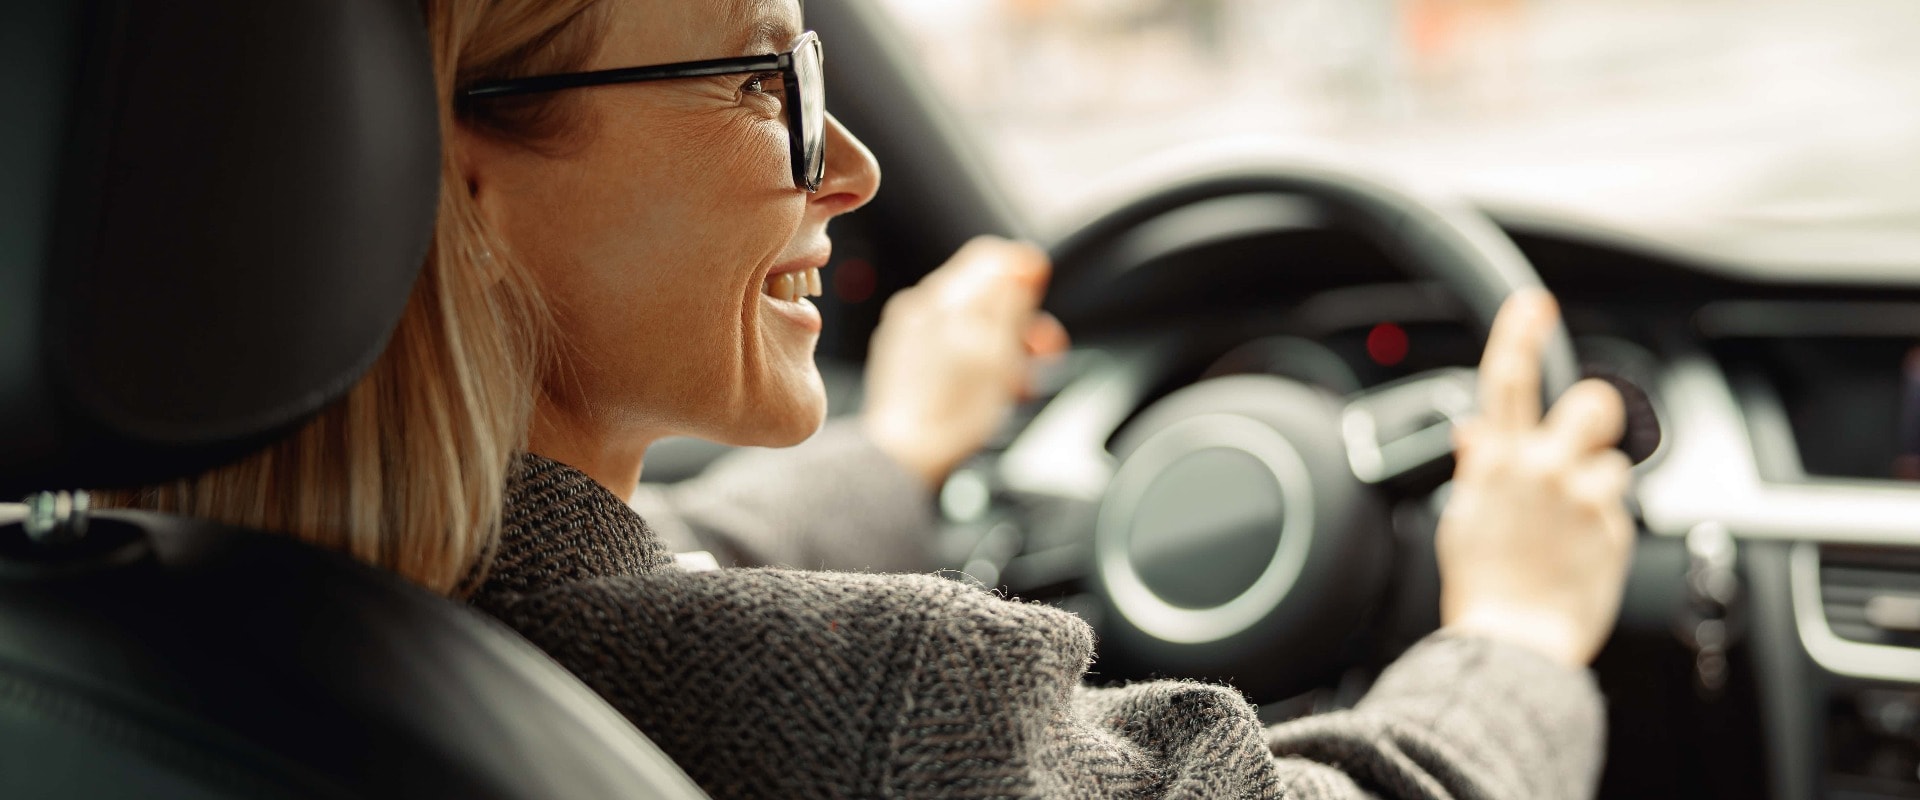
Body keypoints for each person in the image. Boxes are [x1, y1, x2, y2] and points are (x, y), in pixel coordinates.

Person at [113, 0, 1634, 796]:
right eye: (765, 82)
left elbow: (660, 579)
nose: (853, 167)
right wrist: (1511, 630)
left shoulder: (119, 621)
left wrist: (901, 446)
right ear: (453, 168)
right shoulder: (885, 718)